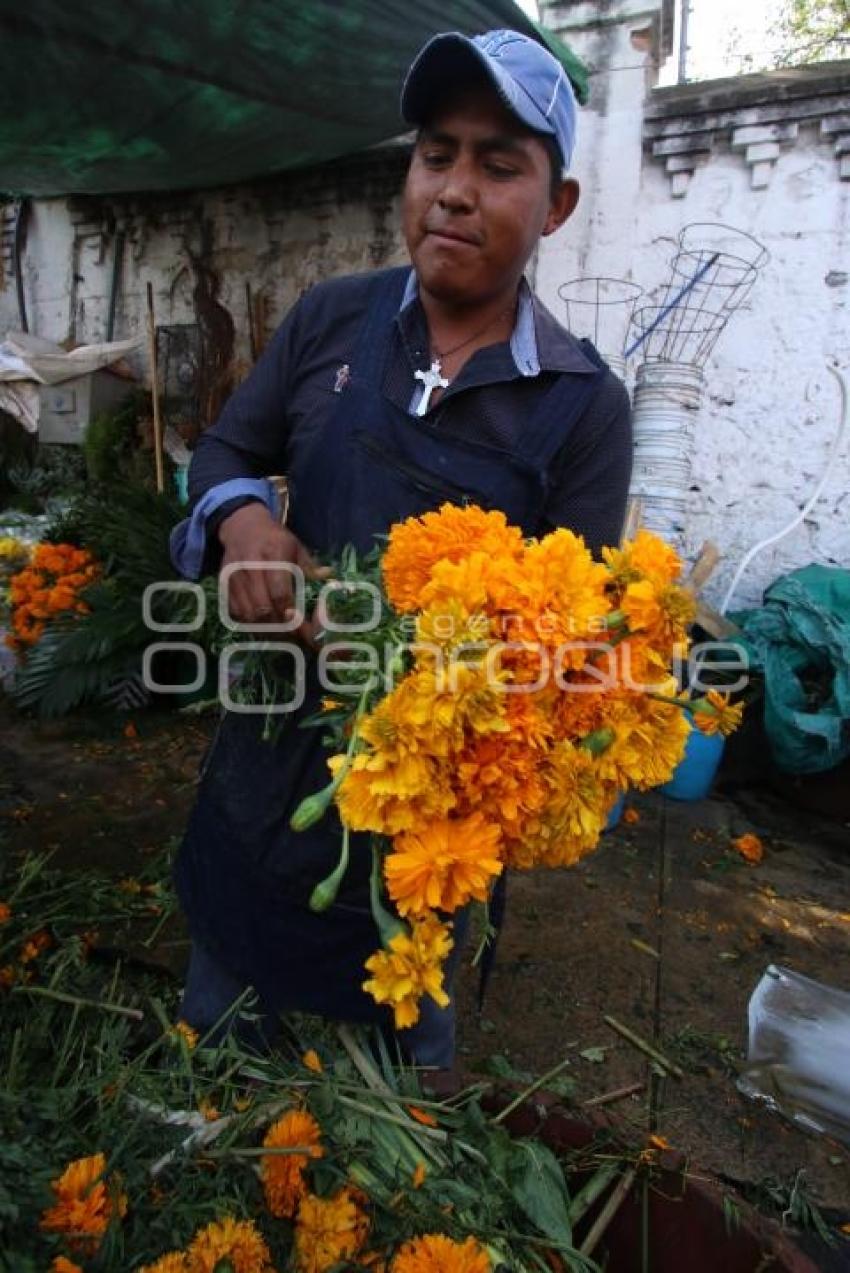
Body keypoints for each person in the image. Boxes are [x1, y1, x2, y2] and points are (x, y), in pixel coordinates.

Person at [170, 29, 632, 1069]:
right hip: (261, 779)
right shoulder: (333, 318)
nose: (455, 190)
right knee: (218, 1063)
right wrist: (243, 522)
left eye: (498, 164)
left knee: (394, 1114)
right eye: (436, 154)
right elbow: (227, 450)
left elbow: (557, 667)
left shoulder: (582, 408)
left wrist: (408, 675)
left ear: (554, 206)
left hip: (421, 845)